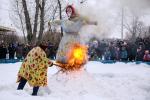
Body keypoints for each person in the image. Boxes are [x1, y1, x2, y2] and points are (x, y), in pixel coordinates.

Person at [49, 5, 97, 71]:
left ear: (72, 11)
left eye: (70, 10)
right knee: (65, 54)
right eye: (67, 11)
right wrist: (50, 23)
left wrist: (94, 22)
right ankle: (65, 68)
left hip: (76, 39)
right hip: (66, 40)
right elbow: (57, 22)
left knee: (76, 54)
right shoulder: (64, 21)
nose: (68, 12)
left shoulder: (79, 20)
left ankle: (76, 68)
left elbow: (87, 22)